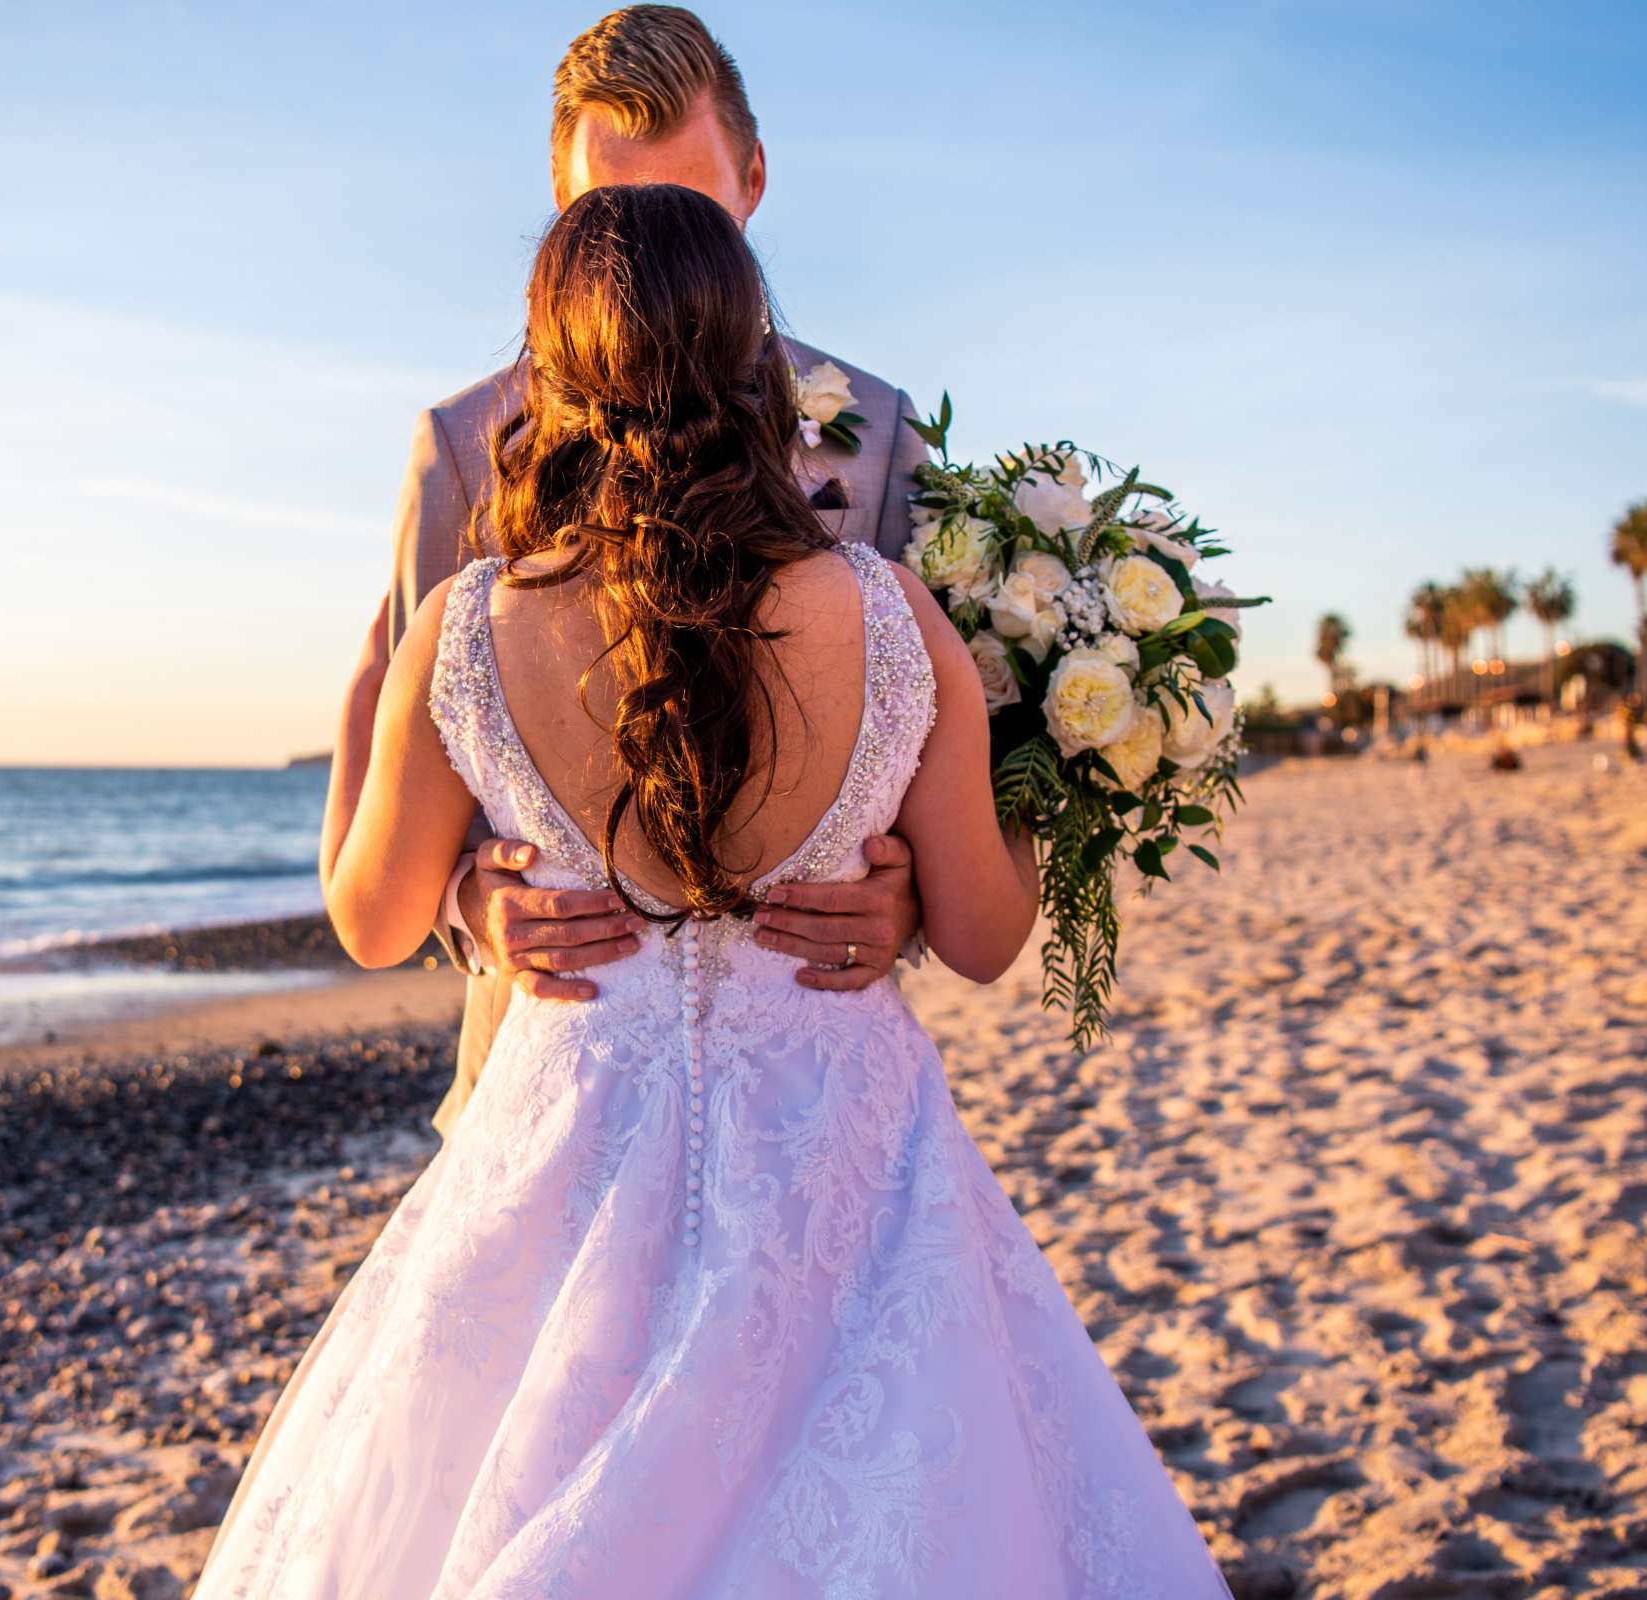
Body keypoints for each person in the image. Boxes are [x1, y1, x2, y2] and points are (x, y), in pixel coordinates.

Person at [192, 182, 1230, 1598]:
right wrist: (1014, 804)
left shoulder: (470, 624)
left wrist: (378, 683)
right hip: (845, 1181)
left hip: (564, 1169)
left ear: (549, 381)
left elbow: (373, 922)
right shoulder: (887, 609)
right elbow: (987, 937)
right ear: (761, 373)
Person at [339, 5, 930, 1143]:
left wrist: (909, 899)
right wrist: (474, 906)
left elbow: (934, 745)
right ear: (564, 211)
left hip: (814, 1088)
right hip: (541, 1081)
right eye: (613, 209)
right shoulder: (462, 447)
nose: (656, 243)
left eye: (691, 206)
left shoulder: (877, 430)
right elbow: (422, 795)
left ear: (753, 183)